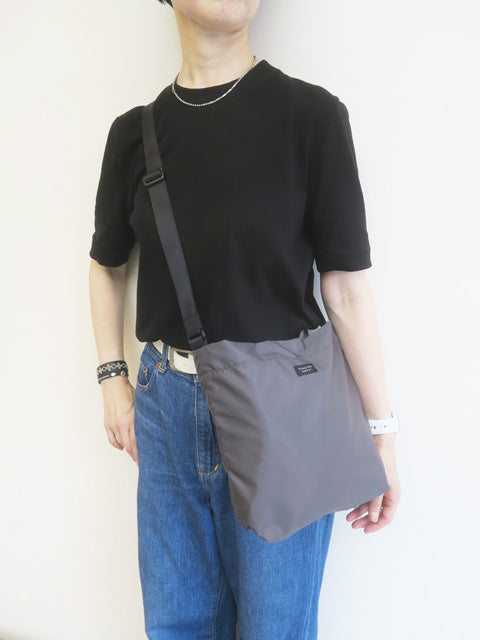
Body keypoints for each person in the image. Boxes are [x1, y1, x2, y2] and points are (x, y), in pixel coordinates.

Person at [88, 1, 402, 638]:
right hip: (164, 405)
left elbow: (345, 289)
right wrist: (113, 379)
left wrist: (382, 434)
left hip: (282, 412)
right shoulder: (133, 135)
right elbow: (105, 265)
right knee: (176, 624)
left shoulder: (311, 117)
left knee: (274, 627)